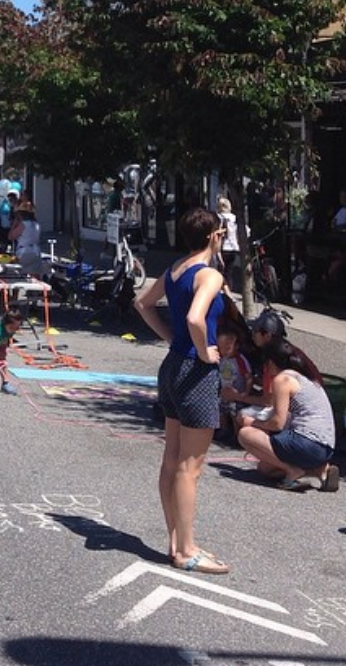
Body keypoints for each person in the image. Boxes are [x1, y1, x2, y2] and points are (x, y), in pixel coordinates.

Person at [133, 206, 228, 575]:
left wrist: (171, 338)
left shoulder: (176, 269)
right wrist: (204, 351)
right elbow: (195, 318)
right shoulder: (210, 274)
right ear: (214, 236)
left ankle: (175, 540)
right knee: (191, 466)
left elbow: (142, 303)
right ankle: (187, 549)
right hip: (196, 370)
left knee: (172, 459)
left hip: (172, 364)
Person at [237, 335, 338, 492]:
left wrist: (253, 423)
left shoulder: (282, 380)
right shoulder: (305, 378)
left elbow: (278, 423)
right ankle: (319, 470)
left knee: (246, 434)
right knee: (265, 468)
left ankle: (293, 471)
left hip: (307, 443)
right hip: (326, 447)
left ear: (270, 363)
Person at [216, 322, 253, 442]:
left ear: (236, 346)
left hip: (237, 393)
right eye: (221, 348)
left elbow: (248, 377)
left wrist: (245, 392)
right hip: (224, 391)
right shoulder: (221, 358)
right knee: (220, 407)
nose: (224, 351)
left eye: (228, 348)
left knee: (234, 410)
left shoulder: (240, 360)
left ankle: (236, 434)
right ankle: (223, 429)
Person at [9, 201, 44, 275]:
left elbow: (11, 236)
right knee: (34, 276)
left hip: (24, 252)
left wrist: (14, 225)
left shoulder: (23, 225)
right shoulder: (36, 225)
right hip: (36, 252)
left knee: (20, 274)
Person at [216, 196, 240, 287]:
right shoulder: (234, 218)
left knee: (220, 272)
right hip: (233, 248)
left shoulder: (219, 217)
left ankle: (222, 291)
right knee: (229, 272)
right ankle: (228, 290)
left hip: (223, 248)